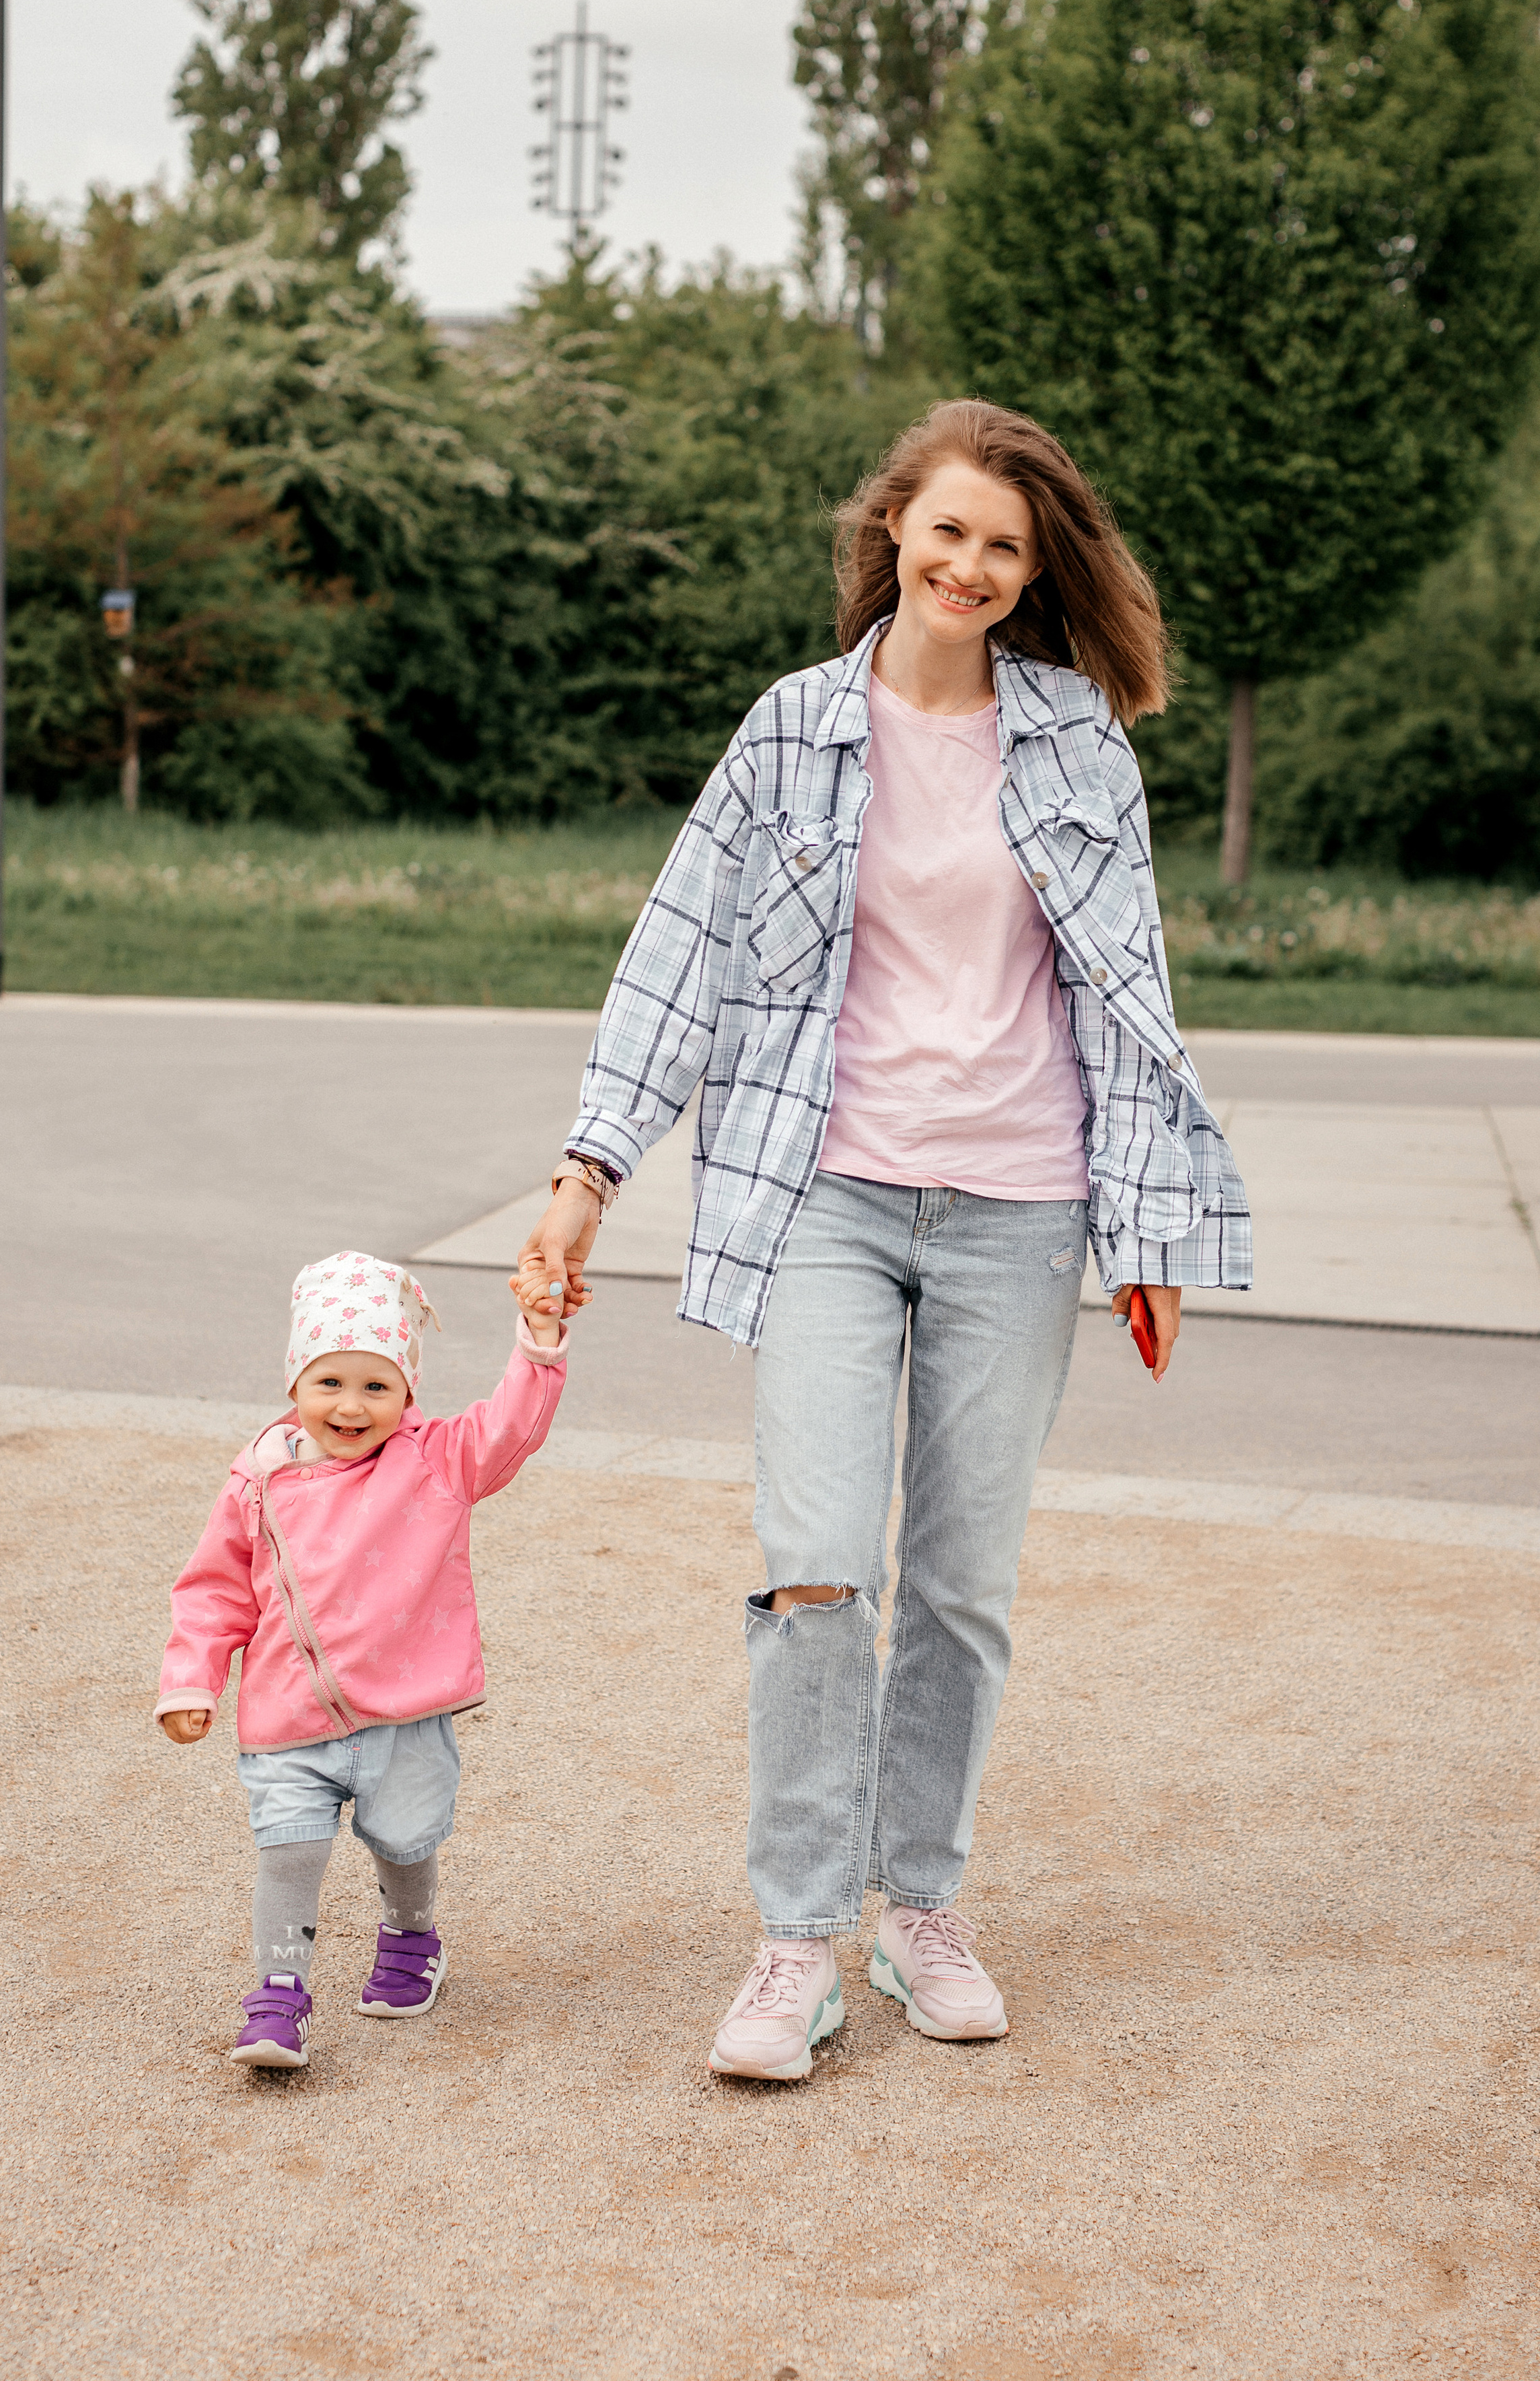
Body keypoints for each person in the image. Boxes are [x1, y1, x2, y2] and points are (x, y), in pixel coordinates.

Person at [518, 397, 1251, 2082]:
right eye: (947, 533)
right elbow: (676, 954)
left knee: (959, 1582)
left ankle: (917, 1904)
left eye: (1005, 543)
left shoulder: (1076, 743)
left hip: (1018, 1201)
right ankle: (795, 1942)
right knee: (811, 1560)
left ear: (1029, 564)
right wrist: (586, 1169)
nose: (972, 565)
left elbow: (1125, 998)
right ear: (892, 538)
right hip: (825, 1196)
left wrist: (1140, 1233)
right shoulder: (789, 730)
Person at [156, 1247, 581, 2069]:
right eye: (330, 1383)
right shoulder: (258, 1480)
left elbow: (511, 1425)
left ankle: (412, 1935)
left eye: (376, 1386)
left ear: (408, 1392)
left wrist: (538, 1337)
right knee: (288, 1852)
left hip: (405, 1716)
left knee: (405, 1842)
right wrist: (191, 1677)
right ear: (294, 1386)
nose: (351, 1407)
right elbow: (214, 1590)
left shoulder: (435, 1461)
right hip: (288, 1718)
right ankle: (277, 1999)